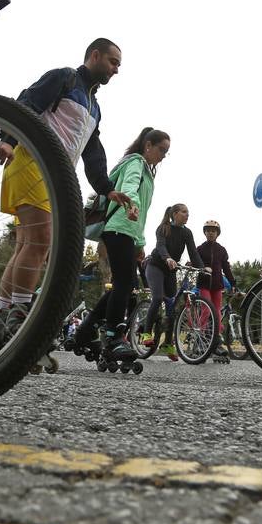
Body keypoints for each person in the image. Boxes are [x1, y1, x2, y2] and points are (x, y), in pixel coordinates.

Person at [0, 39, 132, 351]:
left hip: (54, 176)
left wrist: (107, 189)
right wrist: (9, 139)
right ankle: (20, 319)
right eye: (112, 61)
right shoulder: (65, 78)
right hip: (30, 160)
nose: (116, 69)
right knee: (41, 241)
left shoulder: (95, 107)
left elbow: (93, 152)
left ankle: (0, 320)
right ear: (94, 56)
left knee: (28, 244)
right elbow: (27, 101)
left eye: (118, 65)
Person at [72, 128, 167, 363]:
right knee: (124, 282)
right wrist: (131, 204)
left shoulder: (148, 172)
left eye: (167, 152)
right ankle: (113, 337)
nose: (164, 155)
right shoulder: (135, 162)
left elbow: (142, 213)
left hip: (128, 231)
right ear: (148, 145)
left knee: (127, 284)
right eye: (161, 150)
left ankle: (85, 331)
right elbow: (130, 187)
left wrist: (140, 243)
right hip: (118, 228)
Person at [141, 204, 206, 360]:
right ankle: (146, 334)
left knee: (171, 307)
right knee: (157, 298)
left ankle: (168, 343)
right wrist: (168, 258)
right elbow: (161, 246)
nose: (187, 215)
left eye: (188, 213)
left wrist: (203, 268)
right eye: (184, 212)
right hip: (156, 266)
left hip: (171, 270)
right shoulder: (163, 228)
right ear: (175, 214)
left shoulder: (187, 232)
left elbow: (193, 252)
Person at [196, 219, 237, 358]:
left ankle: (216, 339)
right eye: (208, 231)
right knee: (206, 310)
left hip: (217, 285)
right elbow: (197, 262)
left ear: (217, 233)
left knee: (217, 312)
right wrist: (201, 267)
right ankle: (199, 337)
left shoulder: (221, 250)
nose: (210, 233)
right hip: (204, 284)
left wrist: (233, 283)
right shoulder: (200, 249)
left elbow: (226, 268)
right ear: (205, 233)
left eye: (213, 231)